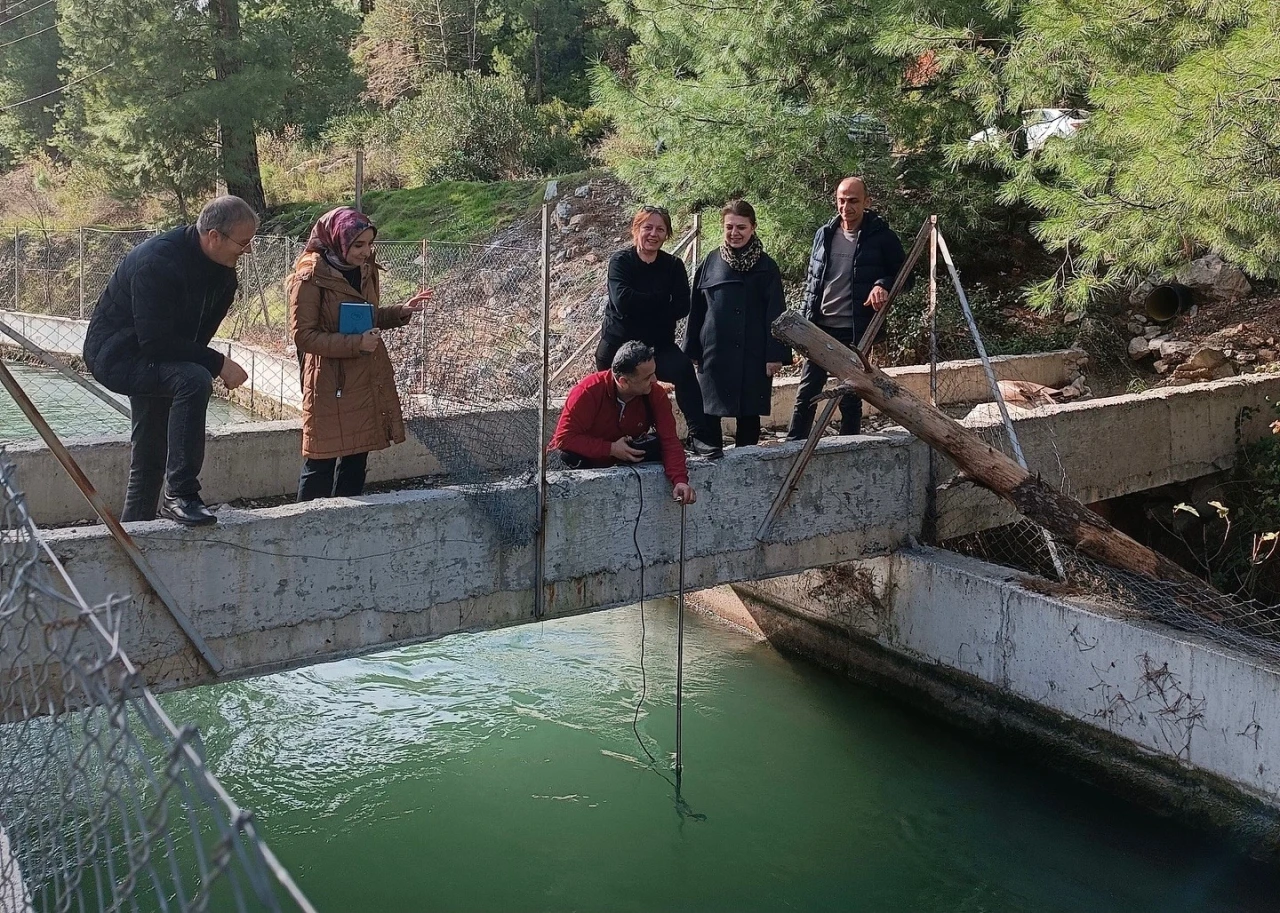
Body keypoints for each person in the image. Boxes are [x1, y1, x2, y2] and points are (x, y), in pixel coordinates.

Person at [84, 195, 256, 526]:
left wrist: (200, 360)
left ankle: (137, 531)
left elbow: (194, 337)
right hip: (117, 354)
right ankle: (181, 494)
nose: (247, 251)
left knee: (150, 452)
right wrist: (218, 363)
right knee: (193, 379)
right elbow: (155, 341)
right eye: (243, 242)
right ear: (214, 236)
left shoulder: (224, 276)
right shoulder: (158, 262)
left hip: (158, 357)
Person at [288, 207, 432, 502]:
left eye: (369, 244)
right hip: (329, 382)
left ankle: (346, 526)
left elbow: (365, 316)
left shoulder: (366, 270)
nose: (366, 252)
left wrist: (398, 313)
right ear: (337, 240)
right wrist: (355, 344)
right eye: (359, 245)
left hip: (366, 379)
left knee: (356, 459)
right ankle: (304, 529)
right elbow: (303, 335)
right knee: (321, 461)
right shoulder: (311, 276)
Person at [786, 176, 906, 440]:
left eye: (853, 201)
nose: (846, 206)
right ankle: (793, 445)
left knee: (850, 394)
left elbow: (902, 274)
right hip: (821, 327)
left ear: (867, 202)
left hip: (855, 329)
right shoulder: (824, 233)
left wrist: (882, 284)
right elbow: (813, 279)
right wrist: (806, 322)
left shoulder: (882, 237)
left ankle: (850, 443)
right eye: (842, 200)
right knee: (808, 390)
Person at [596, 205, 721, 459]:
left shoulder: (673, 266)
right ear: (636, 230)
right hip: (618, 346)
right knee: (608, 391)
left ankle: (699, 436)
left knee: (684, 371)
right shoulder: (620, 262)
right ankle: (606, 442)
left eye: (660, 229)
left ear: (667, 235)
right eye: (648, 227)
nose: (653, 234)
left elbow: (682, 306)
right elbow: (622, 301)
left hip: (657, 345)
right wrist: (662, 300)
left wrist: (642, 304)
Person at [684, 200, 791, 448]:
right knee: (710, 411)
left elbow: (776, 313)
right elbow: (697, 309)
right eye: (729, 227)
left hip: (752, 353)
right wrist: (692, 350)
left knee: (749, 414)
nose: (735, 233)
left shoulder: (767, 266)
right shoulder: (709, 262)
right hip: (714, 352)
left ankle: (747, 461)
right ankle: (712, 457)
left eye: (741, 227)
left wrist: (774, 355)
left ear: (753, 227)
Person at [550, 341, 697, 505]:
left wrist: (680, 480)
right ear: (623, 381)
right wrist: (611, 448)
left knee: (656, 446)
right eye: (648, 377)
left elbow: (669, 440)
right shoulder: (589, 391)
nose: (655, 380)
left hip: (623, 462)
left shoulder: (655, 394)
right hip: (585, 465)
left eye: (654, 373)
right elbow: (563, 439)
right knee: (567, 455)